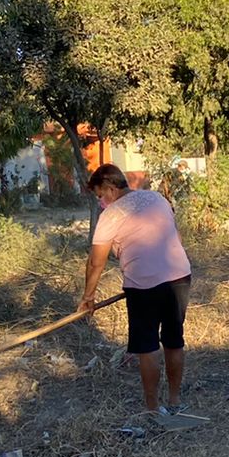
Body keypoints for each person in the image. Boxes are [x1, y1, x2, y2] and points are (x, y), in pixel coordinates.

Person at [78, 164, 193, 417]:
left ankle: (152, 410)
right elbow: (176, 236)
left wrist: (88, 297)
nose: (101, 201)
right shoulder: (156, 197)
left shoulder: (111, 215)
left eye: (100, 195)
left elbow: (96, 262)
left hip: (143, 286)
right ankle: (175, 401)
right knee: (174, 340)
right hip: (180, 276)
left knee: (147, 347)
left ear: (110, 188)